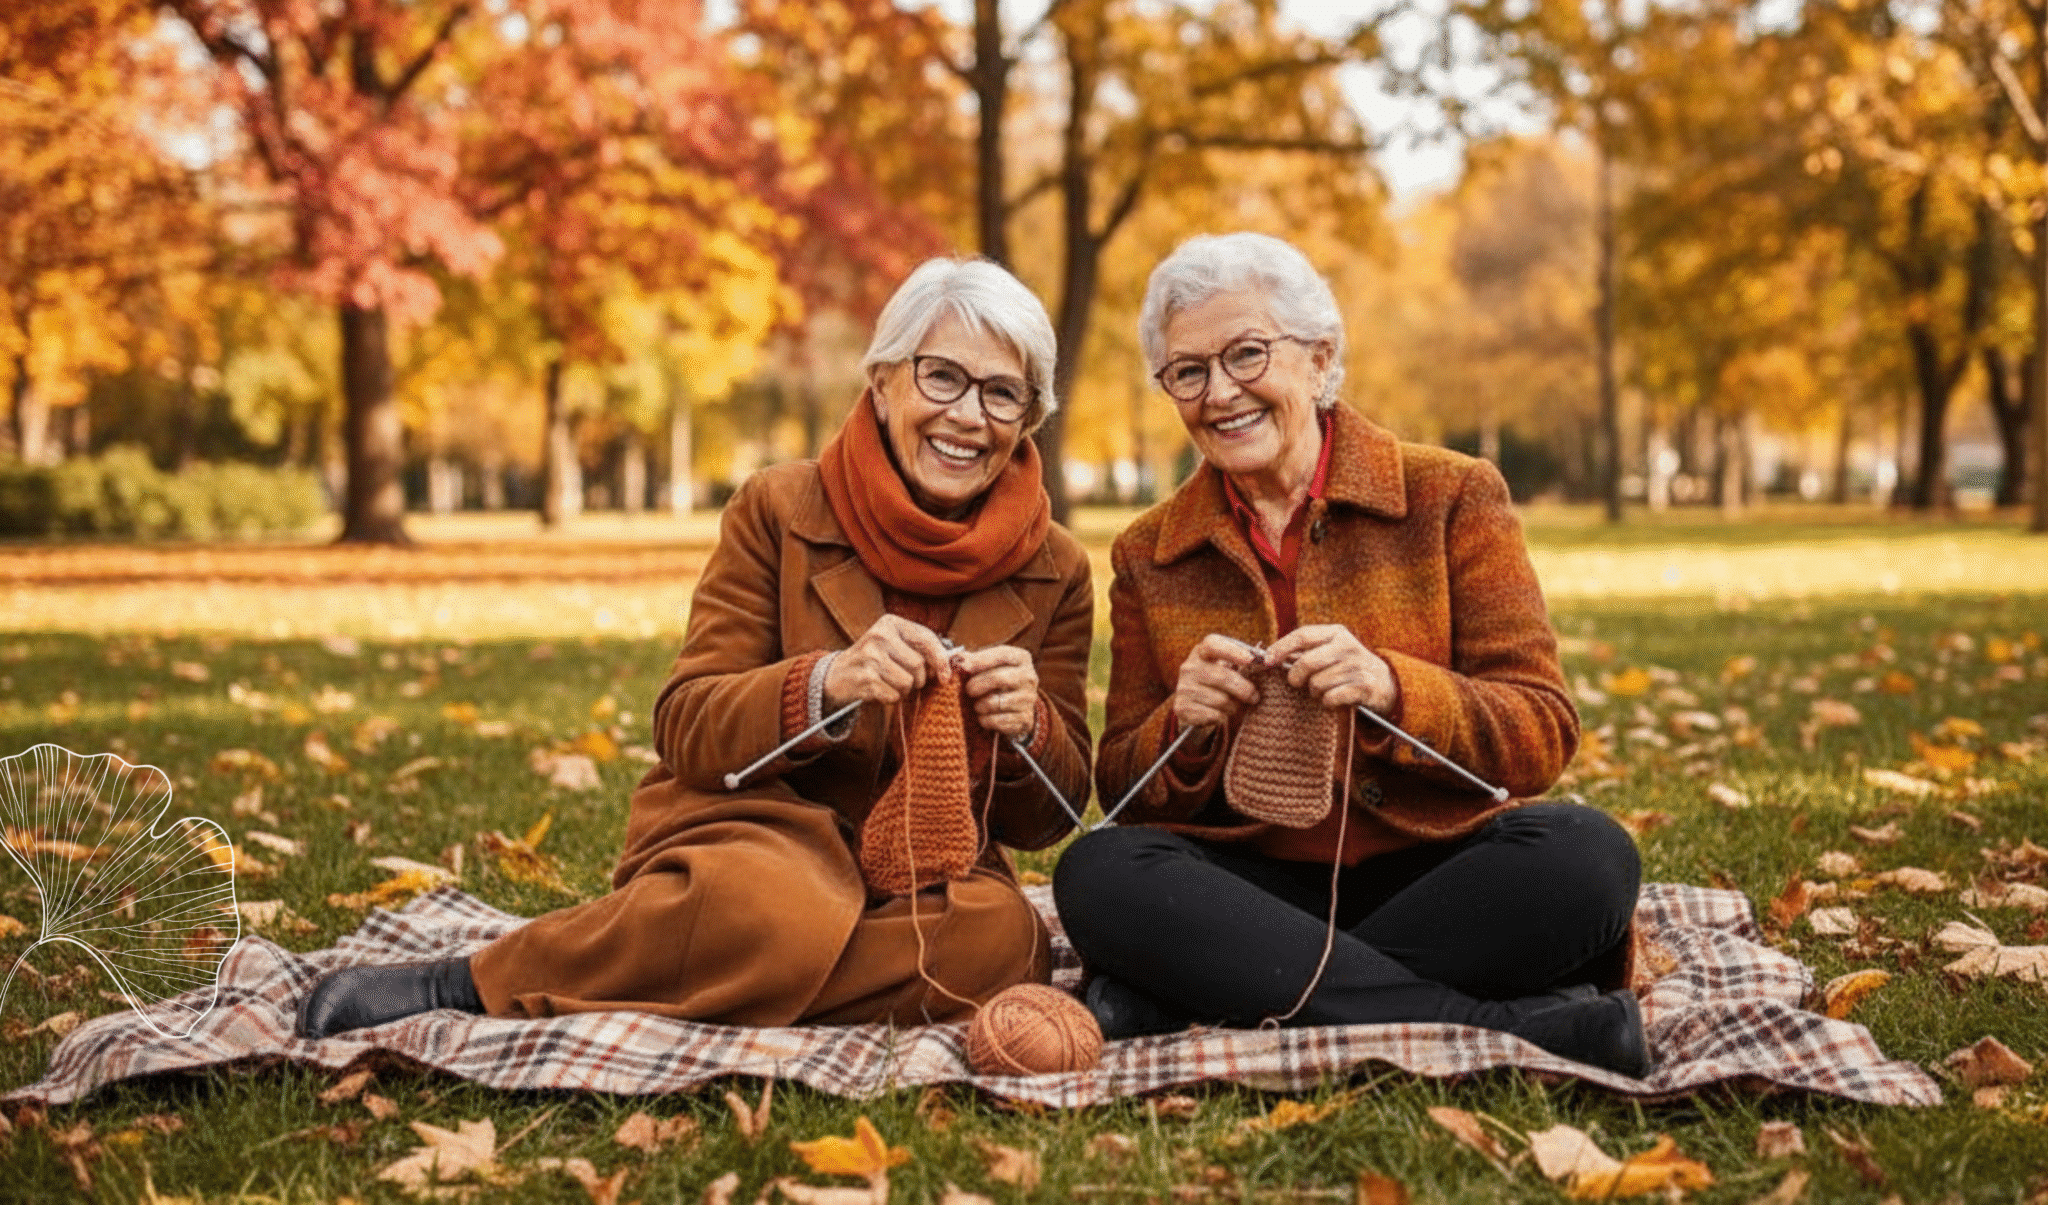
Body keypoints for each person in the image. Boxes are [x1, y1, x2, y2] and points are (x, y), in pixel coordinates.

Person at [298, 258, 1093, 1037]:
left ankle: (700, 967)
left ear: (1028, 416)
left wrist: (1027, 729)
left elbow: (1044, 820)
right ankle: (473, 981)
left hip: (926, 873)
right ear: (883, 381)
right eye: (942, 377)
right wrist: (828, 682)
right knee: (774, 904)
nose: (968, 415)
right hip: (758, 831)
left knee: (1002, 942)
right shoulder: (777, 509)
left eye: (1002, 393)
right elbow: (686, 724)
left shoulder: (1056, 566)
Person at [1053, 233, 1647, 1077]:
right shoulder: (1151, 551)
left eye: (1247, 354)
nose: (1220, 392)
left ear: (1319, 357)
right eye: (1188, 371)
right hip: (1253, 890)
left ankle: (1187, 997)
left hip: (1436, 872)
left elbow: (1542, 730)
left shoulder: (1452, 495)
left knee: (1589, 855)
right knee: (1099, 872)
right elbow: (1124, 786)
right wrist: (1185, 723)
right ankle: (1521, 1031)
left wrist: (1394, 688)